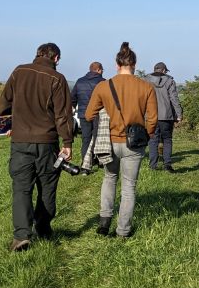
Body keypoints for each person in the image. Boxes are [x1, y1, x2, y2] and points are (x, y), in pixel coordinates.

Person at [0, 42, 75, 252]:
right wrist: (67, 143)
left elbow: (5, 101)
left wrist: (6, 124)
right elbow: (63, 115)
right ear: (56, 58)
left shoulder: (19, 71)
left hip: (20, 142)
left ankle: (21, 235)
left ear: (37, 54)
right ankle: (43, 227)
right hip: (47, 143)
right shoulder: (57, 79)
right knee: (47, 186)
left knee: (21, 188)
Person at [84, 42, 157, 238]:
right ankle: (123, 230)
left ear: (117, 64)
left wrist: (106, 113)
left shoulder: (103, 86)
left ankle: (104, 222)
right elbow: (153, 119)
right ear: (134, 64)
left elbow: (89, 114)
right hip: (134, 143)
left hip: (109, 141)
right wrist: (146, 134)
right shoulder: (146, 87)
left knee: (109, 179)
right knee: (129, 186)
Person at [145, 62, 183, 172]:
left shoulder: (145, 80)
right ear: (163, 70)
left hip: (150, 115)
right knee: (167, 140)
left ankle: (153, 166)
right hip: (166, 116)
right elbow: (174, 99)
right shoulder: (170, 81)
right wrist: (179, 114)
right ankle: (167, 165)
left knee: (153, 140)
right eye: (165, 71)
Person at [71, 62, 105, 161]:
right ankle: (98, 160)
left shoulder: (79, 81)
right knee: (98, 138)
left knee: (86, 139)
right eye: (102, 70)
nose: (102, 72)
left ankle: (85, 162)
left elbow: (73, 98)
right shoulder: (103, 82)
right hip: (98, 114)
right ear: (98, 69)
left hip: (83, 114)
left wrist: (73, 109)